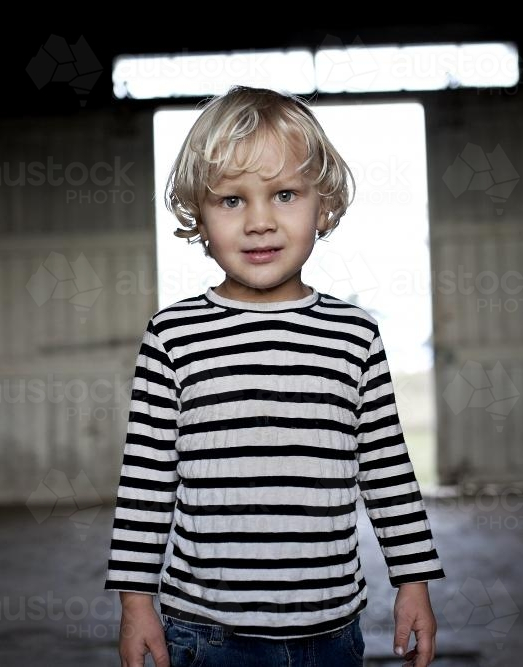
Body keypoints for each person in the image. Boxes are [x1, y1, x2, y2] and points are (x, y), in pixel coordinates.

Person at [105, 85, 445, 667]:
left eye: (284, 194)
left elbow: (387, 469)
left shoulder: (353, 336)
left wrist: (413, 581)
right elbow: (146, 481)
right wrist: (136, 602)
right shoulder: (173, 337)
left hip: (331, 631)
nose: (259, 222)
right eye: (231, 200)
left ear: (323, 205)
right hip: (207, 633)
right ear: (199, 215)